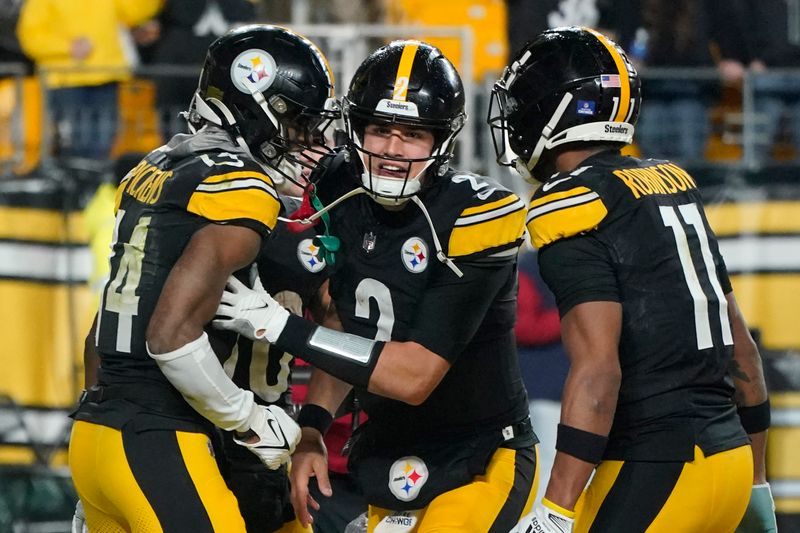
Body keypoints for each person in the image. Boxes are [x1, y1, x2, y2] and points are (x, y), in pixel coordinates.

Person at [214, 40, 538, 532]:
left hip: (478, 456)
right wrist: (313, 429)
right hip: (385, 454)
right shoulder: (337, 187)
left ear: (441, 139)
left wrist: (277, 326)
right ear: (356, 129)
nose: (391, 149)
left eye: (412, 134)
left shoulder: (473, 216)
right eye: (380, 129)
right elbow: (346, 323)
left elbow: (413, 378)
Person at [488, 26, 776, 533]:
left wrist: (555, 510)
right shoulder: (672, 181)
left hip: (657, 467)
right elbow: (742, 351)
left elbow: (599, 373)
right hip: (728, 462)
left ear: (551, 113)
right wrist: (755, 484)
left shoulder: (570, 203)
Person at [68, 24, 338, 532]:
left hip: (99, 432)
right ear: (258, 107)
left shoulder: (159, 166)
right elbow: (170, 336)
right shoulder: (241, 186)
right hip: (160, 436)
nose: (306, 140)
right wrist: (251, 420)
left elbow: (99, 334)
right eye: (297, 122)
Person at [16, 0, 162, 160]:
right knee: (73, 144)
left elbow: (136, 11)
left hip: (106, 76)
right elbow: (30, 36)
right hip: (66, 80)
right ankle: (75, 183)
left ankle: (96, 182)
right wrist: (66, 47)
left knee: (104, 141)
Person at [515, 247, 569, 507]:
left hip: (580, 392)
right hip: (545, 392)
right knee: (548, 468)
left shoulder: (589, 255)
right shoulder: (530, 263)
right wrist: (576, 316)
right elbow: (523, 325)